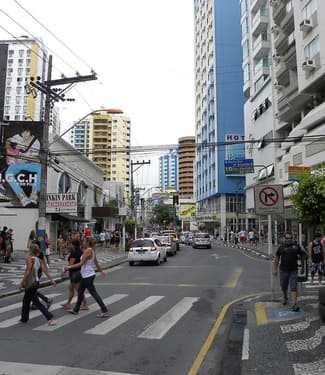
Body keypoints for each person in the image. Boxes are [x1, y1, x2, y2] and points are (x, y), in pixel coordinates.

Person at [63, 237, 108, 317]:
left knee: (93, 293)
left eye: (84, 241)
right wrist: (101, 271)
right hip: (86, 275)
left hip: (87, 275)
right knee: (80, 292)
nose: (82, 242)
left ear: (87, 243)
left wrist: (69, 267)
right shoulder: (92, 251)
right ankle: (75, 310)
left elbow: (81, 263)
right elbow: (96, 262)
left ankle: (104, 310)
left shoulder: (88, 251)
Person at [19, 243, 56, 325]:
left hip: (30, 283)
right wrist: (51, 280)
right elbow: (45, 270)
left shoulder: (30, 259)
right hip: (36, 282)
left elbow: (28, 271)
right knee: (26, 301)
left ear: (30, 250)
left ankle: (49, 317)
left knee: (35, 302)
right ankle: (24, 318)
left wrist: (22, 282)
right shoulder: (38, 260)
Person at [5, 125, 41, 207]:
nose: (25, 134)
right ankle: (21, 196)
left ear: (31, 133)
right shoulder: (16, 137)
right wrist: (11, 152)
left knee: (41, 168)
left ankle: (34, 194)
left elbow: (34, 157)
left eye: (27, 132)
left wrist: (26, 158)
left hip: (30, 164)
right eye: (23, 132)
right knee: (8, 174)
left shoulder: (36, 142)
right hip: (17, 164)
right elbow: (8, 143)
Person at [273, 231, 305, 312]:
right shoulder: (281, 247)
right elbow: (277, 258)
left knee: (293, 287)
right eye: (287, 238)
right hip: (283, 270)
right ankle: (285, 297)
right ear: (284, 239)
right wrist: (275, 269)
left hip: (293, 270)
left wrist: (302, 267)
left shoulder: (296, 246)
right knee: (284, 286)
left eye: (290, 238)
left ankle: (294, 304)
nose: (289, 239)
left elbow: (301, 256)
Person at [60, 239, 89, 310]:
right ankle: (68, 303)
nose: (69, 245)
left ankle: (85, 304)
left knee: (79, 290)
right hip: (78, 272)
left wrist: (64, 271)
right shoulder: (80, 251)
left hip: (74, 273)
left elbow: (71, 264)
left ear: (73, 245)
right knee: (71, 288)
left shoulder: (74, 253)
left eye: (70, 244)